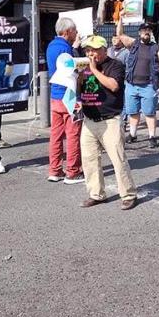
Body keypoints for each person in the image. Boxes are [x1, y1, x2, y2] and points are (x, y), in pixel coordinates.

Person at [78, 35, 138, 210]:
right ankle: (96, 194)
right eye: (88, 50)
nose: (90, 53)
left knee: (118, 159)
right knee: (89, 159)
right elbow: (79, 89)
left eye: (94, 50)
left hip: (110, 119)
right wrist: (78, 79)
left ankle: (128, 194)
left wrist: (94, 69)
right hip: (89, 119)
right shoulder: (84, 66)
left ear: (104, 50)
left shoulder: (115, 65)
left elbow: (113, 86)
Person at [116, 20, 159, 148]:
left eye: (149, 31)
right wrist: (121, 19)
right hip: (132, 85)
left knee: (150, 113)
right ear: (140, 33)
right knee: (133, 112)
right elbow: (120, 34)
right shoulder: (133, 44)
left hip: (149, 85)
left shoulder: (156, 48)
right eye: (144, 31)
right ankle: (133, 135)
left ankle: (152, 137)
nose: (147, 33)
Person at [46, 17, 84, 184]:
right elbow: (71, 73)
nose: (76, 34)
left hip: (55, 95)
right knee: (73, 134)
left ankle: (54, 170)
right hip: (69, 95)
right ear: (67, 31)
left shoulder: (51, 46)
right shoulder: (65, 49)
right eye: (75, 30)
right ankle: (73, 171)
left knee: (56, 135)